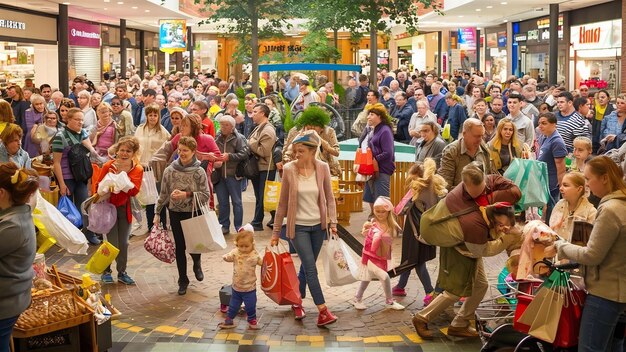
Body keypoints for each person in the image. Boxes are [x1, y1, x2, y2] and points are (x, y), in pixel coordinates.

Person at [413, 163, 522, 339]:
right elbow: (482, 250)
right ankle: (421, 318)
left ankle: (460, 324)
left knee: (481, 285)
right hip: (460, 247)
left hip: (468, 245)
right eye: (501, 226)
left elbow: (514, 190)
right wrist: (508, 239)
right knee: (455, 291)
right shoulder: (474, 224)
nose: (503, 229)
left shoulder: (488, 182)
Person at [544, 156, 626, 352]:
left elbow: (592, 255)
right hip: (617, 290)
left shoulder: (610, 209)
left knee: (590, 348)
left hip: (605, 292)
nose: (587, 184)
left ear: (604, 178)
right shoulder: (620, 204)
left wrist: (559, 246)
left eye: (589, 179)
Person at [270, 131, 338, 327]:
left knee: (306, 268)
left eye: (301, 151)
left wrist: (332, 223)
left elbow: (330, 198)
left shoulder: (323, 168)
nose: (296, 154)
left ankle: (296, 301)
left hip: (319, 227)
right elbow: (282, 204)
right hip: (298, 228)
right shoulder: (289, 170)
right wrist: (276, 233)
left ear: (312, 151)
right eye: (295, 151)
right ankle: (323, 311)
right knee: (310, 268)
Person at [154, 136, 210, 295]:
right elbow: (163, 193)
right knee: (180, 246)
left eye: (185, 150)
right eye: (180, 150)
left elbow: (206, 195)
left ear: (193, 152)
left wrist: (186, 194)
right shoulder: (170, 170)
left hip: (193, 212)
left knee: (195, 244)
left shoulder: (199, 171)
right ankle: (182, 279)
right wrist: (157, 212)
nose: (182, 153)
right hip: (175, 212)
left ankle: (197, 263)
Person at [391, 160, 447, 305]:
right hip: (429, 229)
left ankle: (429, 292)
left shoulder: (416, 190)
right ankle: (400, 286)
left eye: (413, 178)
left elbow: (400, 210)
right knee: (410, 259)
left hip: (414, 230)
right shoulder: (436, 188)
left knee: (416, 261)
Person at [0, 164, 39, 351]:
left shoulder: (13, 226)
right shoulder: (17, 212)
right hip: (12, 297)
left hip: (6, 304)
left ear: (1, 193)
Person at [95, 137, 143, 285]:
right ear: (116, 151)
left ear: (133, 153)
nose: (124, 153)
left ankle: (122, 272)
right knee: (110, 242)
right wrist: (107, 186)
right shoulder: (108, 165)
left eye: (128, 151)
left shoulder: (137, 169)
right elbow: (98, 186)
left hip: (124, 209)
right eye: (122, 150)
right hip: (108, 208)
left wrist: (121, 180)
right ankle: (106, 271)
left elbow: (133, 191)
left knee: (123, 243)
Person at [51, 108, 100, 245]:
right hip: (66, 178)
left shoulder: (83, 133)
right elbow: (56, 163)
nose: (80, 122)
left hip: (81, 176)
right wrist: (61, 184)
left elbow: (89, 153)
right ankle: (67, 237)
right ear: (68, 119)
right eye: (77, 119)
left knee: (83, 206)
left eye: (82, 119)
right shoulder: (59, 137)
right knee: (66, 208)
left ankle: (88, 234)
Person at [352, 196, 405, 310]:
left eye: (383, 212)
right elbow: (366, 236)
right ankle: (389, 301)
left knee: (367, 278)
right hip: (370, 256)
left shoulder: (391, 225)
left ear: (388, 212)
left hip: (382, 257)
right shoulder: (372, 223)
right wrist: (367, 229)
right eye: (377, 211)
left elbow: (392, 239)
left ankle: (357, 298)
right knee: (384, 276)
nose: (380, 214)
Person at [135, 103, 171, 233]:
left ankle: (162, 224)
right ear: (147, 116)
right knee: (148, 197)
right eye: (150, 115)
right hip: (142, 167)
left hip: (157, 169)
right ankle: (151, 225)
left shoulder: (163, 131)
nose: (152, 117)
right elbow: (135, 146)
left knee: (159, 196)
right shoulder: (139, 129)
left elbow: (169, 148)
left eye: (155, 115)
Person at [219, 228, 263, 330]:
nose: (243, 249)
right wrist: (225, 257)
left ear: (252, 244)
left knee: (251, 306)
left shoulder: (255, 255)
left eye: (246, 246)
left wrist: (268, 261)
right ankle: (229, 319)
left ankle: (252, 320)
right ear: (237, 245)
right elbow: (229, 256)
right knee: (233, 305)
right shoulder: (235, 252)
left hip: (249, 288)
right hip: (236, 287)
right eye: (241, 246)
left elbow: (262, 262)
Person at [358, 104, 395, 216]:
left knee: (382, 200)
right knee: (372, 197)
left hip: (382, 170)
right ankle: (374, 221)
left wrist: (374, 159)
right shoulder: (375, 129)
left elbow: (388, 153)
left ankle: (386, 226)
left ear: (380, 116)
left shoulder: (385, 131)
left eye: (372, 114)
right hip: (372, 169)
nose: (368, 117)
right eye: (368, 114)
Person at [214, 114, 249, 234]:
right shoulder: (217, 137)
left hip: (233, 175)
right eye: (221, 124)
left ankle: (238, 226)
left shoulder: (239, 138)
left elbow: (244, 154)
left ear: (232, 127)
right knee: (222, 202)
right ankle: (224, 225)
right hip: (219, 175)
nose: (223, 127)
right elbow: (212, 152)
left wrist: (229, 156)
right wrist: (215, 160)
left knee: (237, 202)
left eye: (226, 125)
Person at [282, 106, 341, 177]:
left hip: (325, 171)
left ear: (322, 126)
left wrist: (319, 139)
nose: (312, 127)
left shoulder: (329, 132)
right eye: (310, 124)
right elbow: (286, 151)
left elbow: (336, 152)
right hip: (299, 171)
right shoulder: (295, 132)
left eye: (316, 125)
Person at [439, 118, 493, 190]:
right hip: (459, 197)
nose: (480, 140)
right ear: (464, 134)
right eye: (476, 136)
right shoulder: (451, 151)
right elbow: (445, 185)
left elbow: (489, 174)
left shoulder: (484, 148)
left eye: (482, 136)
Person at [248, 104, 277, 231]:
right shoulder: (260, 127)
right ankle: (275, 217)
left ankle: (257, 222)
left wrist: (250, 142)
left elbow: (264, 151)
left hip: (266, 167)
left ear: (263, 114)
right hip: (259, 167)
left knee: (263, 195)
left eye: (255, 111)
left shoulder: (268, 130)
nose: (252, 114)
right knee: (262, 196)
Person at [549, 171, 596, 242]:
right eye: (561, 185)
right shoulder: (559, 204)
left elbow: (589, 243)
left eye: (565, 185)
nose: (560, 188)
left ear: (579, 189)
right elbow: (551, 231)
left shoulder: (591, 213)